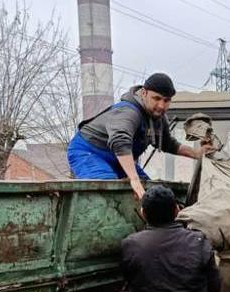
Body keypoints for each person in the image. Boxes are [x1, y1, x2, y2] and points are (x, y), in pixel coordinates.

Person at [67, 73, 210, 201]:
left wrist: (197, 154)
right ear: (144, 93)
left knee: (151, 194)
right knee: (108, 190)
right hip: (88, 152)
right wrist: (134, 179)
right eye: (157, 98)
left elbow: (168, 144)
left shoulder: (159, 119)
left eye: (166, 100)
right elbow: (120, 141)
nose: (161, 106)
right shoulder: (128, 112)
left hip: (117, 158)